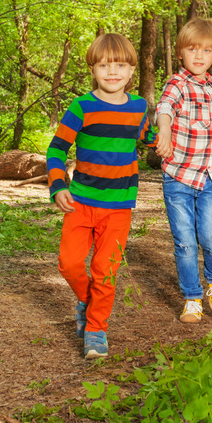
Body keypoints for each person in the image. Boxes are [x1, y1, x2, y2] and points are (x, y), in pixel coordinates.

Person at [46, 33, 157, 360]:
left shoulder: (138, 107)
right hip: (80, 202)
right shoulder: (82, 107)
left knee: (105, 269)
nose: (113, 72)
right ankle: (87, 298)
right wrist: (58, 186)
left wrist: (161, 140)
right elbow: (56, 149)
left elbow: (149, 137)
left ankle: (96, 329)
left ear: (131, 70)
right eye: (104, 65)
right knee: (68, 264)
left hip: (118, 208)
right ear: (93, 69)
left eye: (120, 65)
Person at [155, 17, 212, 324]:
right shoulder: (176, 84)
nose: (199, 56)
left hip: (211, 177)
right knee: (186, 241)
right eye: (192, 49)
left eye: (206, 50)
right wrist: (164, 133)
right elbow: (164, 109)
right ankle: (192, 296)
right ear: (181, 53)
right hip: (178, 176)